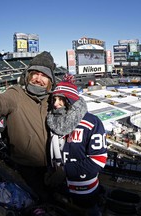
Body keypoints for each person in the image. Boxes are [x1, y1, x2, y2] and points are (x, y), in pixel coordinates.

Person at [0, 51, 56, 203]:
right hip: (28, 168)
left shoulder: (54, 100)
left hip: (53, 166)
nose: (38, 79)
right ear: (28, 75)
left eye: (44, 76)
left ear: (50, 81)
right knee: (41, 199)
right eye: (35, 73)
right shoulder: (16, 94)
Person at [45, 76, 108, 215]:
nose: (56, 104)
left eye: (61, 99)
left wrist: (64, 171)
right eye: (54, 99)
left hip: (84, 191)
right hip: (59, 187)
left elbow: (98, 160)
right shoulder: (52, 120)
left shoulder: (92, 122)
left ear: (71, 100)